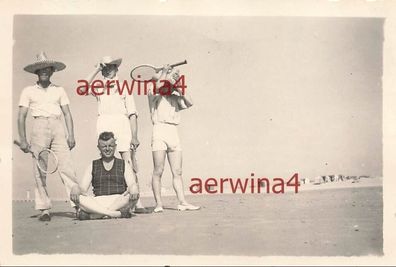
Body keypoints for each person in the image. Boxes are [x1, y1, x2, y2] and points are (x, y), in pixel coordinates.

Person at [17, 51, 81, 221]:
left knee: (66, 166)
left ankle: (78, 205)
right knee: (39, 169)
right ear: (36, 72)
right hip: (38, 127)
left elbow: (67, 113)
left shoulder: (59, 90)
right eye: (40, 69)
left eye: (47, 68)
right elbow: (21, 116)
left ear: (52, 71)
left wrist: (71, 135)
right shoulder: (28, 91)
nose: (44, 71)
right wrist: (23, 140)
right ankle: (44, 209)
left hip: (58, 126)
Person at [84, 56, 148, 213]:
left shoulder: (124, 86)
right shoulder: (98, 86)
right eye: (105, 67)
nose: (108, 69)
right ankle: (109, 199)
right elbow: (84, 87)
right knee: (106, 161)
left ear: (117, 68)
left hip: (122, 123)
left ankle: (136, 202)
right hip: (104, 123)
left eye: (111, 66)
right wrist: (97, 68)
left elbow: (132, 113)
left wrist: (134, 136)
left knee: (129, 163)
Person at [147, 65, 200, 212]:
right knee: (159, 169)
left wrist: (177, 87)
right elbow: (159, 87)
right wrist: (164, 72)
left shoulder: (175, 97)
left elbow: (190, 102)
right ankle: (159, 204)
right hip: (159, 130)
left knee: (177, 171)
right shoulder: (153, 94)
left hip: (173, 132)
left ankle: (182, 202)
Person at [75, 132, 139, 220]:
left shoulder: (123, 164)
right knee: (78, 198)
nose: (108, 149)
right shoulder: (93, 165)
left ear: (115, 146)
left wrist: (134, 188)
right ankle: (115, 214)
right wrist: (75, 189)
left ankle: (95, 215)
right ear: (99, 148)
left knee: (133, 194)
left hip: (118, 201)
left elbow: (131, 183)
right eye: (104, 146)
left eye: (110, 146)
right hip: (98, 202)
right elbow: (83, 188)